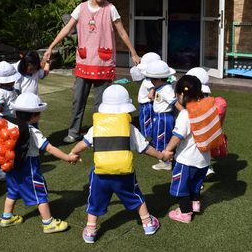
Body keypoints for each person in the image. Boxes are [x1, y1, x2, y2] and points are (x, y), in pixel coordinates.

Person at [43, 0, 141, 143]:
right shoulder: (81, 8)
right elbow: (67, 28)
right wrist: (51, 47)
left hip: (103, 62)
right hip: (84, 62)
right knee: (78, 100)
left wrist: (133, 53)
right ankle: (73, 133)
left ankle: (99, 133)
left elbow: (122, 32)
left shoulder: (111, 9)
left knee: (100, 104)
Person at [69, 85, 162, 243]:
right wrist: (162, 155)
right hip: (124, 174)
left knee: (95, 200)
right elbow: (145, 148)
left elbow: (83, 144)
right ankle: (148, 223)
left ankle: (90, 230)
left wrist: (73, 152)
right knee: (135, 196)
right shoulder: (130, 128)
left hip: (100, 175)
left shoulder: (96, 127)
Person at [0, 92, 79, 233]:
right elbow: (50, 148)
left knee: (12, 191)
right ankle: (48, 223)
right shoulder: (33, 132)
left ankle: (7, 217)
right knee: (40, 193)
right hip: (28, 168)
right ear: (35, 115)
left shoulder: (9, 124)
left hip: (11, 166)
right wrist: (68, 157)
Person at [162, 75, 210, 223]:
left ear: (182, 94)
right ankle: (195, 203)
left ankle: (184, 213)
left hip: (186, 160)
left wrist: (167, 150)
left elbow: (178, 135)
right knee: (195, 183)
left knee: (181, 187)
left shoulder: (185, 114)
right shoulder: (205, 109)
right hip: (204, 160)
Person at [183, 67, 227, 177]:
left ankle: (200, 173)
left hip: (196, 132)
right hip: (208, 134)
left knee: (193, 151)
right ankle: (207, 167)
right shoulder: (209, 100)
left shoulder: (193, 100)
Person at [142, 60, 177, 171]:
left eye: (152, 79)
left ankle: (167, 161)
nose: (150, 81)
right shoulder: (160, 87)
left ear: (159, 79)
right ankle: (164, 158)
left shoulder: (167, 90)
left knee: (164, 138)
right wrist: (153, 89)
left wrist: (185, 113)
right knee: (159, 137)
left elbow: (174, 102)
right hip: (159, 117)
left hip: (164, 118)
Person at [14, 51, 50, 128]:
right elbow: (16, 91)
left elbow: (45, 73)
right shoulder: (19, 76)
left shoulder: (36, 72)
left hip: (34, 105)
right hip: (23, 106)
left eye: (35, 68)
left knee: (34, 125)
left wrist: (47, 63)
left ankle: (34, 138)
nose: (32, 71)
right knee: (23, 126)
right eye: (30, 69)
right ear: (24, 65)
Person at [132, 52, 161, 138]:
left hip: (148, 104)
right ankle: (147, 133)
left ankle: (149, 132)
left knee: (148, 119)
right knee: (146, 119)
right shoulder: (149, 82)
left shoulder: (148, 80)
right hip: (146, 105)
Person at [0, 61, 21, 129]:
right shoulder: (1, 92)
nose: (14, 80)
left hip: (12, 117)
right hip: (2, 119)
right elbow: (0, 106)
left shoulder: (11, 88)